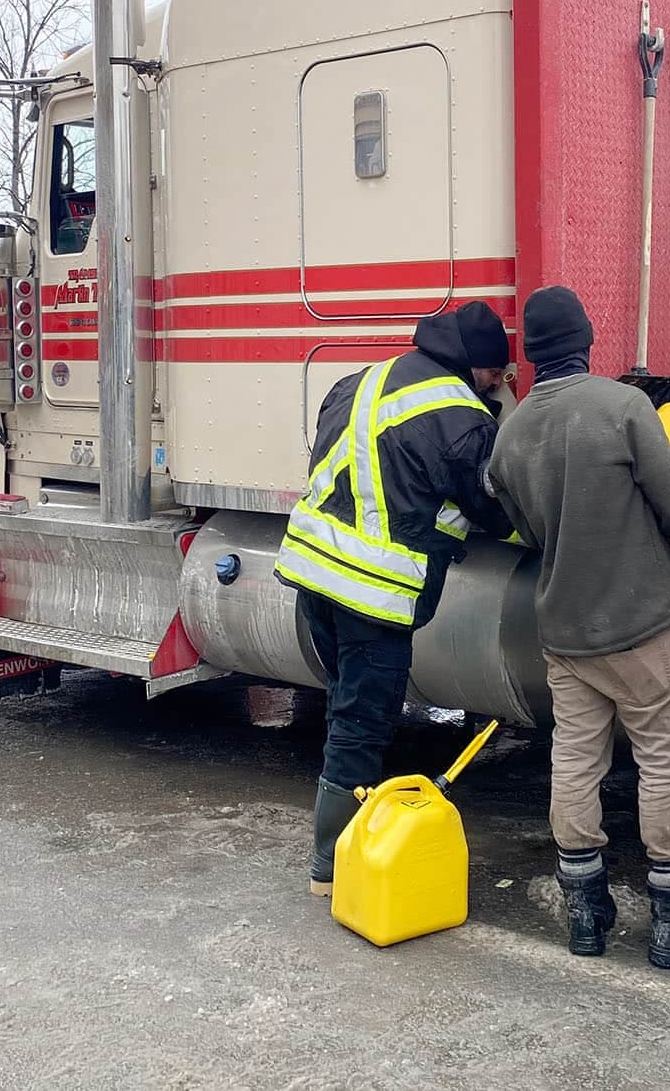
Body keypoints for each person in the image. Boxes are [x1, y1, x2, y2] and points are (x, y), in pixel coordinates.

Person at [487, 287, 670, 967]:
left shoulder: (509, 434)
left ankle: (585, 908)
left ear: (531, 355)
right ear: (586, 342)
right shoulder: (621, 407)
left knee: (574, 759)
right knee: (664, 762)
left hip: (565, 631)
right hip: (641, 625)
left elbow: (520, 526)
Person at [273, 300, 514, 898]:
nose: (500, 386)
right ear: (479, 367)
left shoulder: (361, 380)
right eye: (498, 376)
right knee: (363, 722)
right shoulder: (461, 416)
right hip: (372, 594)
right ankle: (334, 866)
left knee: (344, 706)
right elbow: (494, 509)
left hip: (313, 574)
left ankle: (342, 849)